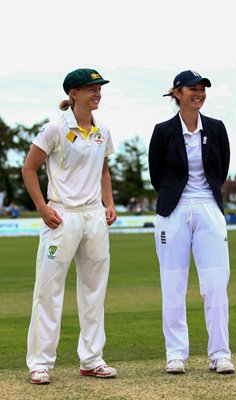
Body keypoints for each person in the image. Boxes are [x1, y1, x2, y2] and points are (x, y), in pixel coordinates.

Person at [22, 68, 117, 384]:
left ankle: (92, 359)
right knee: (49, 290)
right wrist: (42, 207)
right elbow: (29, 168)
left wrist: (109, 203)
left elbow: (103, 170)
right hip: (61, 217)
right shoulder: (54, 128)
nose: (97, 93)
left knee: (94, 291)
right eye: (91, 88)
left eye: (99, 88)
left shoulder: (102, 129)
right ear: (73, 93)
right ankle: (40, 362)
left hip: (93, 217)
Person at [148, 70, 235, 374]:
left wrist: (201, 198)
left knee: (215, 285)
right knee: (173, 285)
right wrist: (177, 197)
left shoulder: (216, 127)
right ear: (177, 93)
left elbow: (221, 170)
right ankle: (176, 353)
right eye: (192, 89)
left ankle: (220, 353)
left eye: (202, 89)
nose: (198, 94)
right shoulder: (162, 131)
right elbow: (156, 175)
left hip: (209, 208)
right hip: (173, 210)